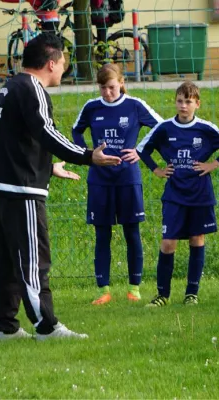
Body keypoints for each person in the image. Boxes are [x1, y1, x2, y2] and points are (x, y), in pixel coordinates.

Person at [0, 33, 121, 340]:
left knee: (5, 262)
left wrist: (48, 166)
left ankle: (6, 328)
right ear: (50, 63)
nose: (63, 69)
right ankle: (47, 326)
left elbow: (17, 139)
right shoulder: (33, 89)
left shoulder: (10, 88)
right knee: (34, 260)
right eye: (62, 63)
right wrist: (88, 156)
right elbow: (47, 132)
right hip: (21, 190)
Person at [137, 81, 219, 306]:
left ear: (197, 104)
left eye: (188, 102)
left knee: (196, 239)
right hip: (174, 194)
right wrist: (157, 169)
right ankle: (162, 295)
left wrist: (214, 164)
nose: (183, 106)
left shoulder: (205, 128)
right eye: (180, 101)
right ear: (175, 102)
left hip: (200, 194)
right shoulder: (164, 128)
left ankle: (192, 293)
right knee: (168, 242)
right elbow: (141, 149)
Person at [71, 64, 164, 305]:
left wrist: (139, 150)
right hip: (99, 180)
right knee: (102, 234)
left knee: (131, 232)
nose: (107, 92)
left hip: (127, 178)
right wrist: (88, 153)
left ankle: (135, 287)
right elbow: (76, 131)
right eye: (102, 88)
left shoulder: (134, 105)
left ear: (121, 83)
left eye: (111, 87)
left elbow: (162, 128)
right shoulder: (91, 107)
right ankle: (103, 289)